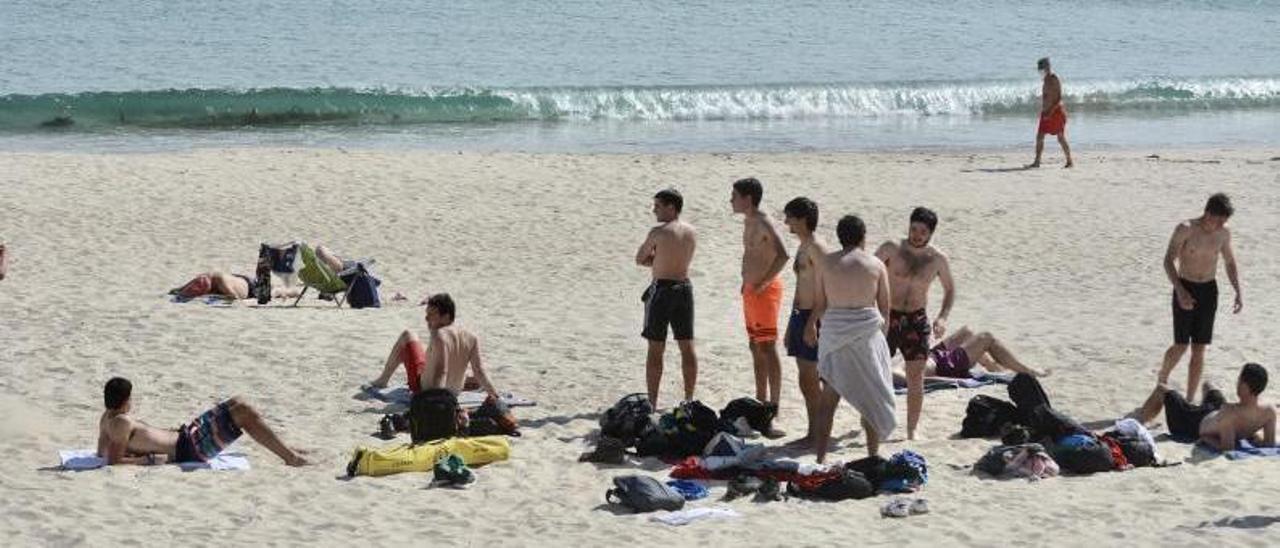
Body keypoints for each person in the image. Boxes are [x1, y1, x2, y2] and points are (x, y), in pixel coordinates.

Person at [805, 215, 894, 462]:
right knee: (871, 395)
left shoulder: (825, 264)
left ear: (839, 237)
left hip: (835, 332)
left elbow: (820, 304)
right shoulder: (876, 265)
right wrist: (881, 337)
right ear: (863, 237)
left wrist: (810, 326)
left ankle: (821, 458)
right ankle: (873, 454)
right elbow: (885, 308)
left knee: (829, 399)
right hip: (866, 335)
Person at [96, 377, 309, 466]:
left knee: (237, 401)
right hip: (191, 448)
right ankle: (290, 457)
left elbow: (101, 452)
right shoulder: (120, 423)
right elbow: (113, 461)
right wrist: (147, 459)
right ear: (125, 400)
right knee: (244, 412)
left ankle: (286, 448)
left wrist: (134, 450)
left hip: (188, 435)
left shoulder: (107, 418)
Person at [875, 207, 955, 440]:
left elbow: (950, 289)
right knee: (877, 372)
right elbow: (868, 272)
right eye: (914, 229)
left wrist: (942, 317)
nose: (917, 234)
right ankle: (876, 421)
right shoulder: (891, 248)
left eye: (922, 231)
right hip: (888, 316)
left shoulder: (937, 259)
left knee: (915, 376)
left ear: (931, 233)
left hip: (917, 319)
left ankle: (912, 429)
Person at [1158, 193, 1242, 402]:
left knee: (1199, 348)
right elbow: (1168, 260)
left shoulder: (1224, 234)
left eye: (1225, 221)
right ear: (1208, 213)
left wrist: (1238, 290)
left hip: (1209, 290)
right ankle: (1162, 378)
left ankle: (1189, 398)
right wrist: (1179, 289)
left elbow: (1230, 263)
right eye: (1219, 219)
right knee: (1180, 345)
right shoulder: (1185, 229)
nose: (1221, 224)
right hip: (1185, 285)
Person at [731, 178, 790, 429]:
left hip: (765, 292)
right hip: (750, 290)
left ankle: (773, 408)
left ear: (748, 198)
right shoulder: (748, 221)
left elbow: (783, 254)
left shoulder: (764, 221)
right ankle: (760, 400)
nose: (731, 200)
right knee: (754, 345)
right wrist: (747, 282)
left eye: (734, 195)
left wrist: (764, 282)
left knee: (767, 347)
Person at [635, 188, 698, 408]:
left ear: (671, 207)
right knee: (686, 345)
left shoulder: (658, 232)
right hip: (684, 288)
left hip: (662, 290)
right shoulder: (691, 231)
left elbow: (640, 258)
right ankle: (689, 399)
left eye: (658, 206)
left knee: (655, 348)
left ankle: (652, 401)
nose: (654, 210)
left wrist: (657, 259)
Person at [367, 293, 499, 399]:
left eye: (431, 314)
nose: (426, 319)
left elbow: (441, 371)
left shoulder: (440, 335)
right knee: (471, 375)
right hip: (455, 391)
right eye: (427, 314)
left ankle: (382, 380)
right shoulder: (472, 337)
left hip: (426, 389)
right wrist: (496, 397)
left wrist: (435, 401)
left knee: (408, 335)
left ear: (446, 317)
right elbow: (480, 372)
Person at [1137, 363, 1274, 451]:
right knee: (1208, 385)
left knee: (1161, 389)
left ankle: (1139, 422)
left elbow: (1227, 448)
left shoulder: (1231, 414)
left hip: (1192, 422)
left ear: (1244, 386)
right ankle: (1193, 403)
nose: (1236, 383)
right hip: (1215, 411)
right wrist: (1251, 433)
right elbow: (1269, 444)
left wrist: (1206, 438)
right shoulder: (1269, 411)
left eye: (1239, 380)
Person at [782, 197, 830, 447]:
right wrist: (792, 323)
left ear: (802, 219)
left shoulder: (816, 248)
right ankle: (814, 430)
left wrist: (812, 322)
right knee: (806, 378)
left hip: (815, 316)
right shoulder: (803, 246)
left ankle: (817, 432)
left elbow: (827, 289)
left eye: (789, 216)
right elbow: (801, 287)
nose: (786, 221)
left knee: (811, 378)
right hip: (801, 315)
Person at [890, 325, 1048, 383]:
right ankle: (1026, 370)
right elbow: (919, 381)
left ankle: (994, 367)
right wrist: (950, 380)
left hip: (932, 354)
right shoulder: (893, 372)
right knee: (987, 337)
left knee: (967, 331)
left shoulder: (886, 359)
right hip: (945, 365)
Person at [1029, 57, 1073, 169]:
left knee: (1060, 137)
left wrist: (1050, 112)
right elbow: (1047, 96)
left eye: (1042, 68)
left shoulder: (1054, 78)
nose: (1041, 71)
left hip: (1056, 112)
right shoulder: (1045, 79)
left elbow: (1059, 98)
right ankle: (1037, 161)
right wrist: (1043, 110)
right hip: (1046, 112)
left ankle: (1070, 161)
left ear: (1048, 66)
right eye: (1040, 69)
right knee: (1039, 136)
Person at [169, 271, 297, 301]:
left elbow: (233, 297)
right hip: (240, 280)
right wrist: (179, 291)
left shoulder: (219, 280)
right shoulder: (204, 276)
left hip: (251, 288)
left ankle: (292, 291)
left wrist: (210, 295)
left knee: (275, 292)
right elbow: (179, 290)